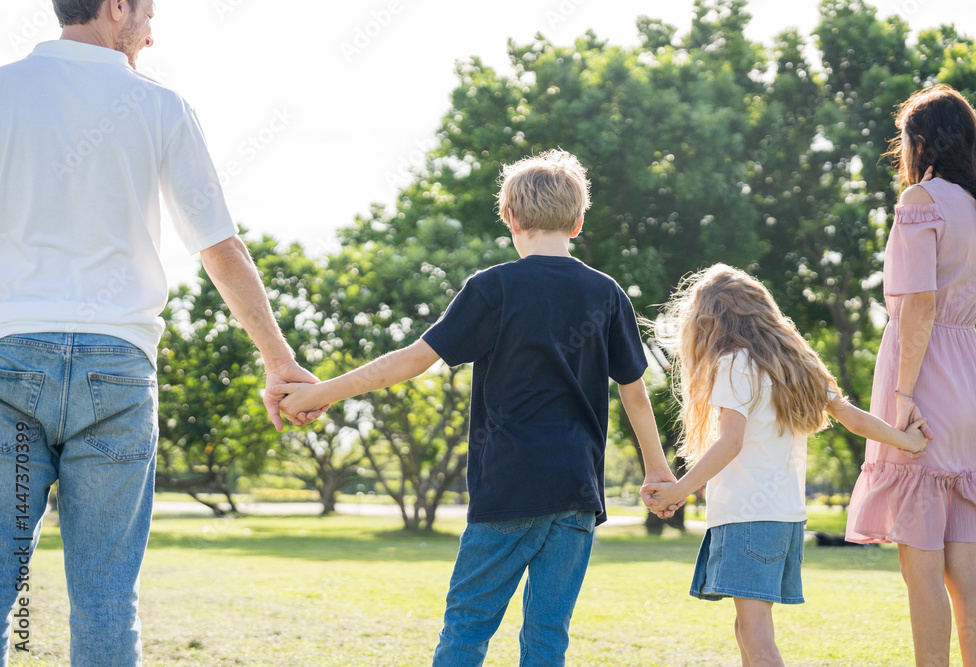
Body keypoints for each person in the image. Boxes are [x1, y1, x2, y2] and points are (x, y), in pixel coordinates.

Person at [0, 1, 322, 664]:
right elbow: (219, 247)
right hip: (115, 371)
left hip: (11, 360)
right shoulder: (159, 104)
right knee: (108, 600)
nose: (152, 29)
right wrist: (278, 360)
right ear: (117, 7)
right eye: (147, 12)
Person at [272, 150, 678, 667]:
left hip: (509, 486)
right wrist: (658, 469)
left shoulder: (493, 288)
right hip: (577, 492)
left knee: (467, 629)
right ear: (578, 222)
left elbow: (414, 360)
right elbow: (634, 390)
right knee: (547, 636)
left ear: (510, 217)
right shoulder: (606, 293)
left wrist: (320, 391)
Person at [641, 264, 928, 667]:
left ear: (710, 323)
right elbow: (854, 418)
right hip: (783, 520)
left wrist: (678, 490)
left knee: (756, 635)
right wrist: (908, 441)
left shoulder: (733, 363)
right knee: (747, 628)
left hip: (747, 520)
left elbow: (731, 442)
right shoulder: (799, 364)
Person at [845, 85, 976, 667]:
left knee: (921, 567)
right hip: (969, 380)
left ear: (920, 141)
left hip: (927, 378)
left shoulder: (921, 200)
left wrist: (903, 396)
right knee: (965, 565)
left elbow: (917, 309)